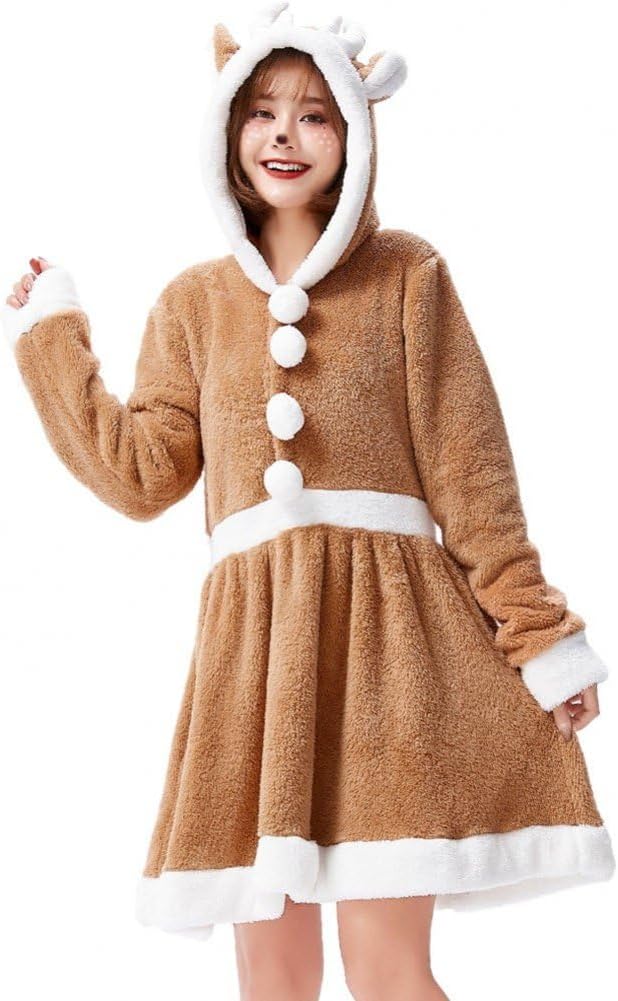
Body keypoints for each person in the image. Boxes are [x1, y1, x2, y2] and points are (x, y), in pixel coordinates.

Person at [2, 3, 614, 1000]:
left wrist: (541, 637)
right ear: (228, 130)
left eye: (315, 114)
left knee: (388, 971)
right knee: (274, 980)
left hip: (393, 654)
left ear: (356, 133)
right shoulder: (194, 304)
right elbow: (141, 474)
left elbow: (474, 480)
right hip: (253, 667)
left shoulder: (407, 274)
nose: (284, 135)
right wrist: (50, 337)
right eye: (263, 112)